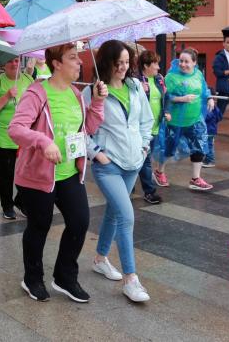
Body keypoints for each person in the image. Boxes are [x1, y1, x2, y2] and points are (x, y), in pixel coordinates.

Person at [8, 43, 106, 303]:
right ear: (56, 63)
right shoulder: (37, 93)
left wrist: (97, 102)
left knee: (80, 221)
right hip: (37, 176)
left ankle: (64, 277)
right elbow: (15, 129)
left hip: (68, 172)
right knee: (39, 227)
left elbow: (88, 129)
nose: (79, 63)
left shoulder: (75, 93)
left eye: (78, 58)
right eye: (72, 58)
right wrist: (43, 142)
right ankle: (32, 279)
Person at [84, 40, 153, 303]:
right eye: (118, 63)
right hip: (108, 166)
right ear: (107, 63)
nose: (124, 67)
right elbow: (82, 130)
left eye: (127, 62)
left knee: (114, 213)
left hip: (133, 161)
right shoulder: (92, 93)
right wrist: (97, 154)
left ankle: (100, 258)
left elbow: (146, 121)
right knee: (126, 216)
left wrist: (145, 146)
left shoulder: (135, 86)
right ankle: (131, 280)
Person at [154, 48, 215, 191]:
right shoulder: (171, 77)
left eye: (187, 61)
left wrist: (210, 98)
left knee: (199, 147)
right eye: (181, 61)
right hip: (174, 121)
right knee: (168, 148)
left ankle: (196, 178)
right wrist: (181, 99)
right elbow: (165, 97)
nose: (183, 64)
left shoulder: (198, 74)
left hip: (194, 120)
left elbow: (204, 88)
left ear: (194, 62)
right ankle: (159, 172)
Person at [0, 57, 34, 219]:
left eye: (16, 60)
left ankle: (21, 200)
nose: (14, 64)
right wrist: (6, 96)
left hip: (25, 136)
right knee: (7, 173)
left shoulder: (28, 79)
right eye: (9, 61)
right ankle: (7, 206)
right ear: (3, 65)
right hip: (3, 137)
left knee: (28, 171)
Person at [136, 50, 169, 204]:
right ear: (145, 65)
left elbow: (165, 97)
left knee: (141, 159)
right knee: (146, 160)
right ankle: (149, 192)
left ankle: (127, 183)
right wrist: (138, 90)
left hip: (156, 126)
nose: (158, 67)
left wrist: (166, 111)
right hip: (142, 128)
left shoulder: (159, 79)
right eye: (155, 63)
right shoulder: (135, 81)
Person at [212, 35, 229, 139]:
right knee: (219, 112)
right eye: (228, 42)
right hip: (224, 88)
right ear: (223, 44)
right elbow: (217, 72)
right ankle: (212, 133)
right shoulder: (219, 56)